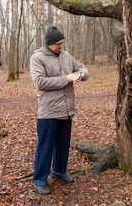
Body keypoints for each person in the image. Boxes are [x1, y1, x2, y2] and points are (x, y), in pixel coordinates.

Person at [30, 25, 89, 195]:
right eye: (58, 44)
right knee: (45, 146)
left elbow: (82, 67)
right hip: (48, 112)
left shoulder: (66, 56)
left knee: (63, 145)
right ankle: (39, 179)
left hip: (67, 110)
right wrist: (66, 78)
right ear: (49, 44)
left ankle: (59, 171)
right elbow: (40, 82)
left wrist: (82, 74)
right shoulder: (37, 58)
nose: (61, 46)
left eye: (62, 43)